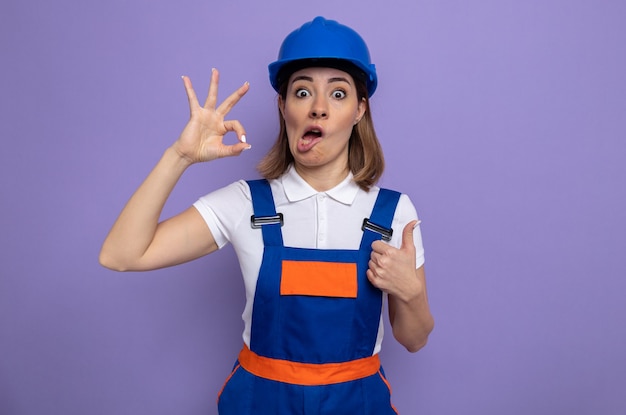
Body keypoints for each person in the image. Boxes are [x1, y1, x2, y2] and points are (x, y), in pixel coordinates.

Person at [100, 16, 434, 414]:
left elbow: (414, 340)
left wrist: (410, 292)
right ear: (283, 106)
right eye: (303, 91)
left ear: (360, 109)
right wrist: (180, 156)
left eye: (339, 94)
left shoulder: (394, 213)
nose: (319, 109)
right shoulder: (244, 204)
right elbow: (120, 255)